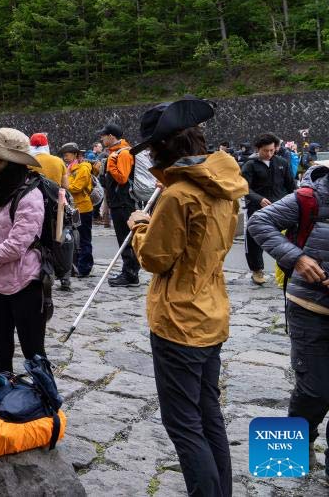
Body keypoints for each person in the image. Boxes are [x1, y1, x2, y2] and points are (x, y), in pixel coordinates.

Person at [125, 97, 244, 497]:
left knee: (183, 425)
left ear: (162, 149)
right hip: (212, 313)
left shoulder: (178, 196)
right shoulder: (224, 186)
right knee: (209, 416)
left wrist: (140, 225)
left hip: (178, 320)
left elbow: (156, 259)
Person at [249, 160, 329, 479]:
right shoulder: (310, 198)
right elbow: (259, 223)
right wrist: (296, 258)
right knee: (314, 390)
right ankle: (295, 446)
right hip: (309, 309)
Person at [0, 128, 48, 375]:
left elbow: (17, 245)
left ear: (8, 162)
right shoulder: (0, 192)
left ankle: (47, 406)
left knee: (33, 353)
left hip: (25, 285)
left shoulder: (30, 196)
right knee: (1, 350)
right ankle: (2, 404)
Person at [241, 133, 296, 285]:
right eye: (266, 150)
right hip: (257, 208)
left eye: (272, 150)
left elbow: (291, 185)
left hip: (280, 207)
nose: (269, 154)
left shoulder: (282, 163)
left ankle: (286, 270)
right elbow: (244, 187)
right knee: (253, 239)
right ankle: (257, 270)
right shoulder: (250, 165)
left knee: (285, 239)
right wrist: (258, 199)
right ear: (258, 149)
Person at [99, 123, 142, 288]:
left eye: (103, 136)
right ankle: (128, 271)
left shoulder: (123, 153)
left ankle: (131, 274)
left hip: (124, 202)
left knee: (126, 238)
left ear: (111, 136)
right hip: (118, 202)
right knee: (124, 237)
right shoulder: (116, 153)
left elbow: (122, 178)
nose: (101, 139)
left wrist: (110, 166)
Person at [59, 143, 95, 278]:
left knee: (84, 238)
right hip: (73, 208)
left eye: (67, 155)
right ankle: (76, 265)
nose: (65, 158)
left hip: (83, 208)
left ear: (75, 155)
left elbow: (75, 187)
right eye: (64, 155)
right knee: (74, 238)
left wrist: (64, 182)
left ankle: (85, 267)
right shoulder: (69, 168)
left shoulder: (83, 168)